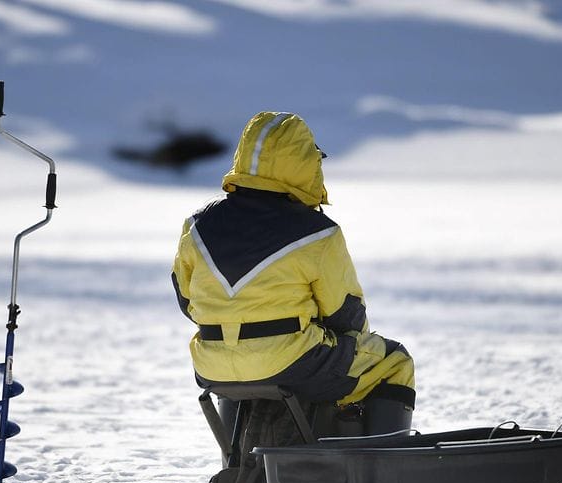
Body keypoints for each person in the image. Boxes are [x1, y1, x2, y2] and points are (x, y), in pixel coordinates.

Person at [171, 111, 416, 435]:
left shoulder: (198, 225)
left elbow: (187, 298)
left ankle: (240, 467)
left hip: (212, 366)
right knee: (394, 362)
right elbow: (346, 315)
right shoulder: (318, 233)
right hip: (291, 363)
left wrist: (236, 323)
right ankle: (378, 466)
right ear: (306, 164)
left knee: (252, 365)